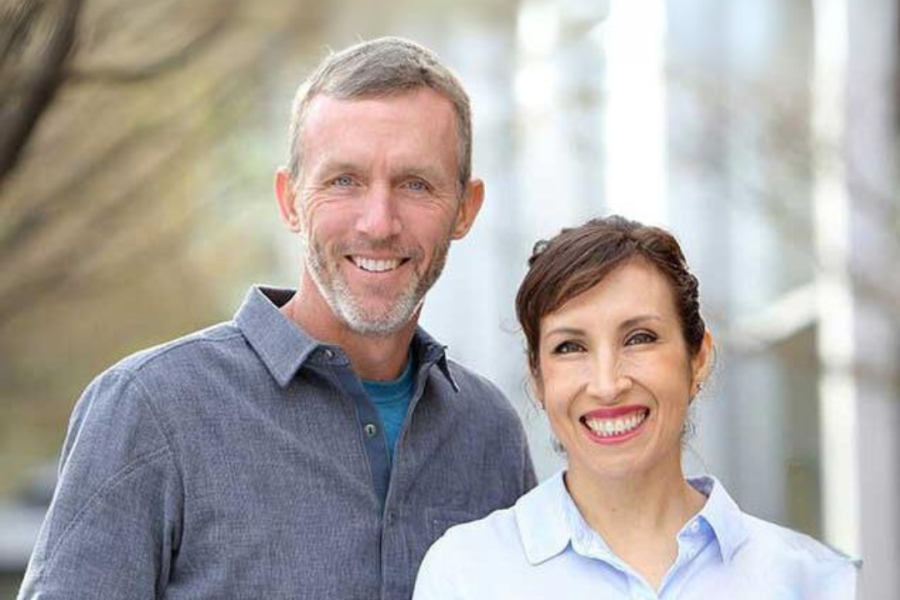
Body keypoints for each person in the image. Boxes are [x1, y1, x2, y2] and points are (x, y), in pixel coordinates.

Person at [18, 37, 535, 600]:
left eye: (416, 184)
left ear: (465, 208)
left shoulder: (490, 434)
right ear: (290, 200)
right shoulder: (150, 409)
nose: (379, 222)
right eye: (344, 181)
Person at [413, 215, 859, 600]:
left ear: (698, 357)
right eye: (570, 347)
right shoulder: (468, 575)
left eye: (639, 338)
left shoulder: (814, 582)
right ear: (538, 378)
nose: (607, 385)